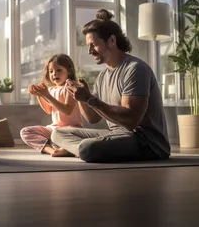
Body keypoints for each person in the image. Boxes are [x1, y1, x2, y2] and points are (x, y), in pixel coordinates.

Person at [51, 9, 171, 163]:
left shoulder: (135, 69)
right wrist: (80, 97)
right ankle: (80, 150)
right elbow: (92, 118)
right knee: (57, 134)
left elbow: (132, 120)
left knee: (88, 148)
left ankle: (80, 150)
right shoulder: (102, 76)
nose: (89, 51)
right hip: (116, 135)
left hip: (146, 142)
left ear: (112, 41)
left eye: (93, 45)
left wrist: (90, 99)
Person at [20, 54, 83, 157]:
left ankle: (63, 147)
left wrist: (47, 95)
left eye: (59, 70)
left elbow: (67, 110)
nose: (54, 74)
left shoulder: (71, 87)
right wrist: (39, 95)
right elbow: (49, 110)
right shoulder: (52, 89)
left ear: (69, 71)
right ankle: (52, 151)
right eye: (51, 71)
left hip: (70, 129)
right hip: (54, 129)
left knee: (56, 137)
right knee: (25, 132)